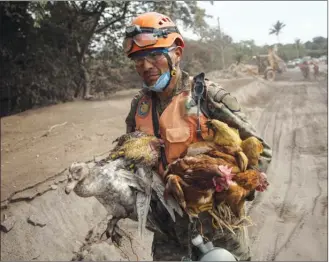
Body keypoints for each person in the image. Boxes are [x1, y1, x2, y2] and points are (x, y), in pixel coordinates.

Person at [123, 12, 272, 261]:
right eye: (138, 59)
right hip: (168, 227)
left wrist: (232, 187)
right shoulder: (139, 106)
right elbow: (131, 158)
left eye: (153, 55)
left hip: (217, 224)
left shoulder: (206, 96)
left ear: (177, 53)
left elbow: (260, 150)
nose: (146, 66)